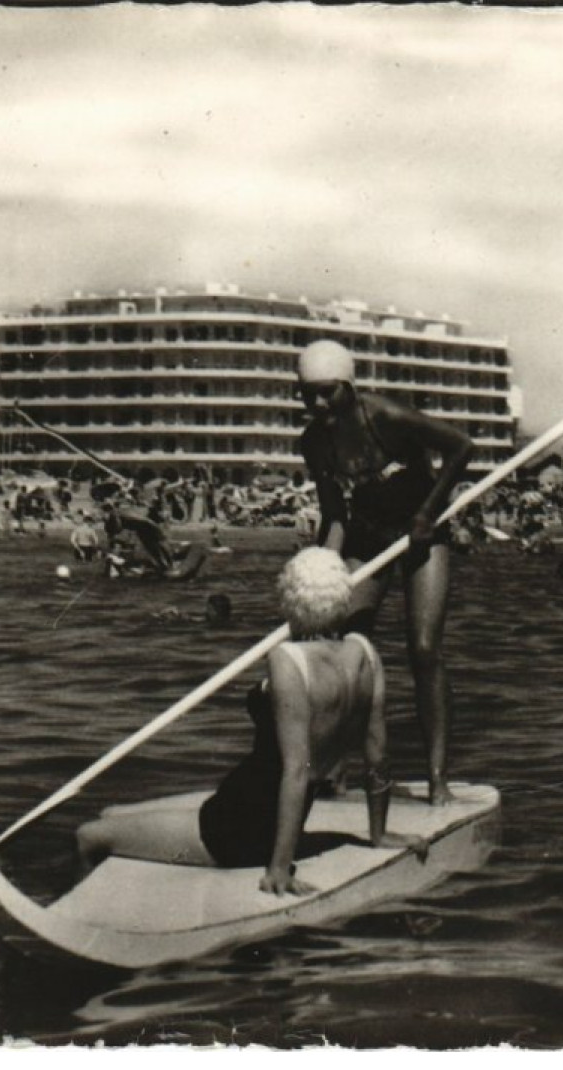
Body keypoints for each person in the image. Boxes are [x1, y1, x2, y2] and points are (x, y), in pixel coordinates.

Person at [76, 547, 418, 895]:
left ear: (290, 599)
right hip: (268, 817)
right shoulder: (365, 654)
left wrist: (279, 869)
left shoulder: (288, 658)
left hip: (237, 828)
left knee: (89, 835)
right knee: (112, 812)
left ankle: (76, 916)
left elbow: (296, 769)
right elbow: (378, 756)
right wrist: (379, 834)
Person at [295, 339, 474, 807]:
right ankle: (334, 770)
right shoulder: (313, 442)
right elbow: (334, 517)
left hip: (422, 534)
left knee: (423, 649)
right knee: (343, 646)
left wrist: (427, 516)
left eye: (326, 392)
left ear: (349, 387)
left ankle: (437, 778)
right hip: (368, 536)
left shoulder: (387, 416)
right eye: (307, 394)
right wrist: (322, 577)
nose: (316, 404)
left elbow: (461, 447)